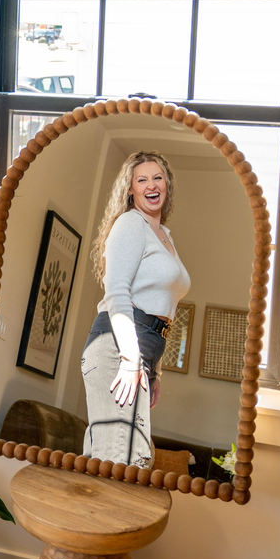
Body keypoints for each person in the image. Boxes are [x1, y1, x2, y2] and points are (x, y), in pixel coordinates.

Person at [81, 151, 190, 468]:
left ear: (167, 186)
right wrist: (131, 359)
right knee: (123, 459)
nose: (151, 185)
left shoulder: (164, 236)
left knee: (132, 461)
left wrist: (154, 369)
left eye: (158, 178)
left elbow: (162, 310)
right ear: (130, 189)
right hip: (118, 346)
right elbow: (116, 294)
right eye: (141, 180)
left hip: (143, 348)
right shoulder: (131, 224)